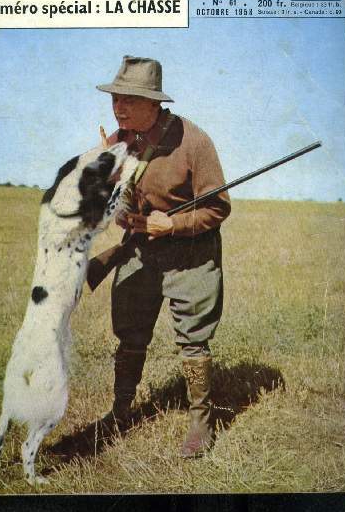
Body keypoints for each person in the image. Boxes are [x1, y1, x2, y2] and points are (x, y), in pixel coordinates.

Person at [89, 55, 231, 458]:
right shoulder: (120, 141)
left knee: (193, 341)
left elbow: (219, 208)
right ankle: (120, 412)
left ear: (154, 103)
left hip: (192, 256)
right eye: (116, 98)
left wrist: (174, 225)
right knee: (130, 334)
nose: (119, 107)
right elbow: (107, 203)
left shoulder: (193, 141)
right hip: (140, 252)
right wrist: (109, 179)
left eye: (129, 99)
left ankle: (201, 423)